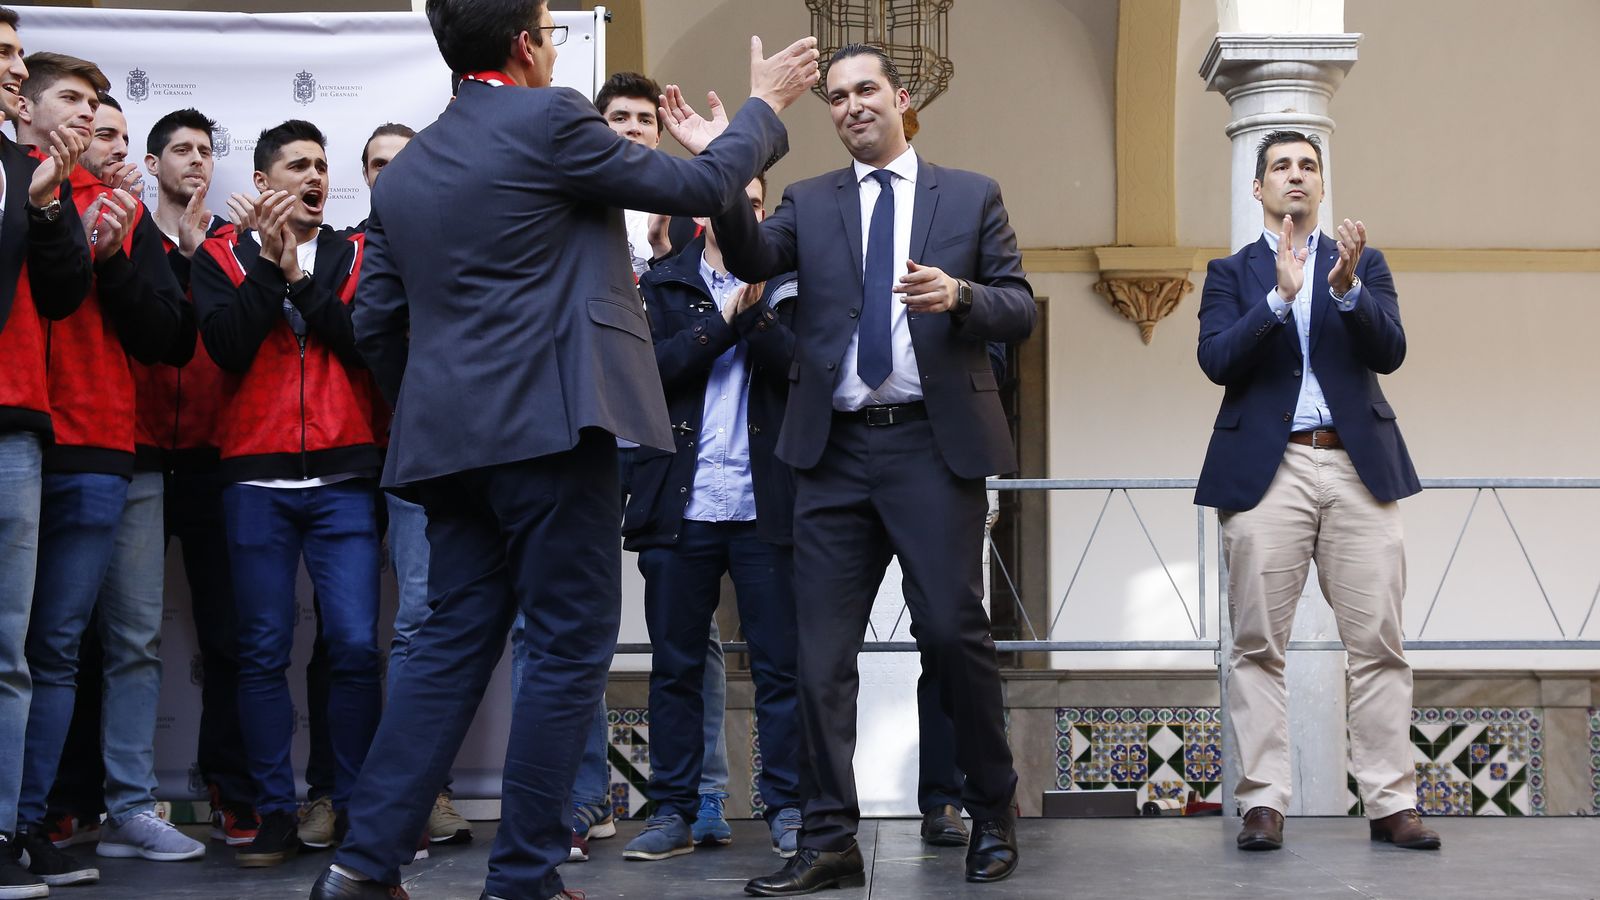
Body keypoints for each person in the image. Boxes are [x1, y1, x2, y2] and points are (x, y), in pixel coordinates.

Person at [306, 0, 817, 896]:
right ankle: (526, 876)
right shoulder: (547, 116)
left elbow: (375, 323)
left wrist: (442, 405)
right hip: (552, 428)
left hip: (450, 446)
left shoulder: (409, 167)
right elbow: (699, 193)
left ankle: (362, 864)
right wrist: (762, 107)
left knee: (449, 645)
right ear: (527, 45)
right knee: (569, 644)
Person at [702, 43, 1036, 894]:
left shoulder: (969, 194)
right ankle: (827, 842)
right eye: (835, 97)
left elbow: (1018, 306)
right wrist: (726, 157)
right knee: (819, 659)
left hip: (932, 447)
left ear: (901, 95)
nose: (851, 106)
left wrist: (960, 296)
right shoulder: (810, 203)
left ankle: (991, 812)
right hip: (834, 454)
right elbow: (746, 259)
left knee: (955, 638)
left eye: (865, 91)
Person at [1194, 129, 1438, 853]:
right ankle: (1263, 803)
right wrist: (1277, 300)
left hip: (1358, 471)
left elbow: (1390, 351)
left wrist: (1348, 292)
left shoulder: (1364, 265)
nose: (1294, 176)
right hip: (1270, 473)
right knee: (1257, 645)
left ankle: (1392, 802)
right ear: (1259, 188)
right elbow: (1214, 359)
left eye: (1307, 166)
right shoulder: (1231, 273)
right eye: (1280, 167)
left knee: (1379, 645)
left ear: (1322, 185)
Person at [13, 53, 191, 887]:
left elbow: (170, 336)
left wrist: (117, 257)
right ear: (31, 109)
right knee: (36, 646)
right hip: (32, 439)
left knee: (101, 643)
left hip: (110, 450)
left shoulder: (126, 211)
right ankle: (31, 820)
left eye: (107, 119)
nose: (93, 128)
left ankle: (106, 811)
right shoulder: (24, 194)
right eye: (78, 108)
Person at [191, 119, 385, 869]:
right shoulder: (219, 258)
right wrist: (269, 268)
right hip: (254, 480)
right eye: (297, 165)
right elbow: (228, 349)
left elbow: (366, 345)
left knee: (357, 647)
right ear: (266, 181)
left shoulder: (357, 253)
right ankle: (275, 810)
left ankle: (357, 805)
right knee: (261, 651)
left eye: (322, 165)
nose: (315, 175)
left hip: (342, 478)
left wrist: (302, 276)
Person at [559, 70, 740, 865]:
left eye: (644, 120)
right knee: (567, 629)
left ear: (659, 137)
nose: (633, 129)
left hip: (676, 452)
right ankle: (581, 800)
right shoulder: (568, 218)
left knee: (686, 636)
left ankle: (703, 794)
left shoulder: (695, 235)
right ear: (595, 130)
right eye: (618, 118)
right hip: (584, 447)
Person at [620, 176, 804, 863]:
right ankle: (670, 811)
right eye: (731, 201)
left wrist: (754, 317)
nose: (744, 213)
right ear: (702, 210)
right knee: (673, 667)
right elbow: (647, 373)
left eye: (755, 203)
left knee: (781, 669)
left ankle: (786, 808)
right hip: (680, 503)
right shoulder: (664, 281)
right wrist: (720, 321)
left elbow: (801, 371)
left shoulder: (791, 280)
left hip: (767, 504)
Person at [334, 119, 473, 851]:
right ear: (366, 176)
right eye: (378, 164)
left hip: (472, 453)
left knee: (453, 624)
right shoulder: (351, 249)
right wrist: (412, 401)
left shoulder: (456, 235)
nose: (391, 174)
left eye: (404, 162)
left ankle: (421, 803)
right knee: (416, 627)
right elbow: (372, 331)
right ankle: (408, 804)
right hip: (401, 458)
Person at [138, 106, 260, 849]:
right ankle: (78, 797)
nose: (196, 161)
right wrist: (176, 258)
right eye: (180, 150)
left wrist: (205, 253)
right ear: (152, 165)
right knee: (105, 636)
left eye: (206, 150)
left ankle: (231, 787)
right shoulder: (121, 237)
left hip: (219, 461)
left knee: (230, 638)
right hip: (138, 456)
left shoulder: (234, 247)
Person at [0, 9, 95, 898]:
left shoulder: (35, 177)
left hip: (19, 428)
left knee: (10, 648)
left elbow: (64, 295)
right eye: (2, 54)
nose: (12, 66)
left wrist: (47, 206)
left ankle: (7, 831)